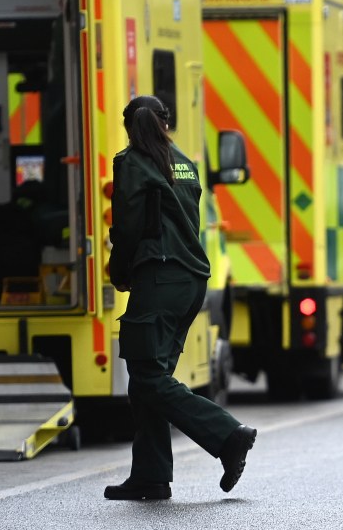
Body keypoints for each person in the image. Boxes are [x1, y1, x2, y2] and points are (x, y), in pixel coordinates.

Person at [104, 96, 257, 501]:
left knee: (148, 376)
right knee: (148, 381)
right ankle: (151, 477)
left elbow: (128, 226)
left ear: (128, 127)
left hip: (160, 277)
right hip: (192, 280)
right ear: (165, 124)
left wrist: (118, 270)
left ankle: (228, 436)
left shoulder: (131, 162)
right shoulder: (185, 162)